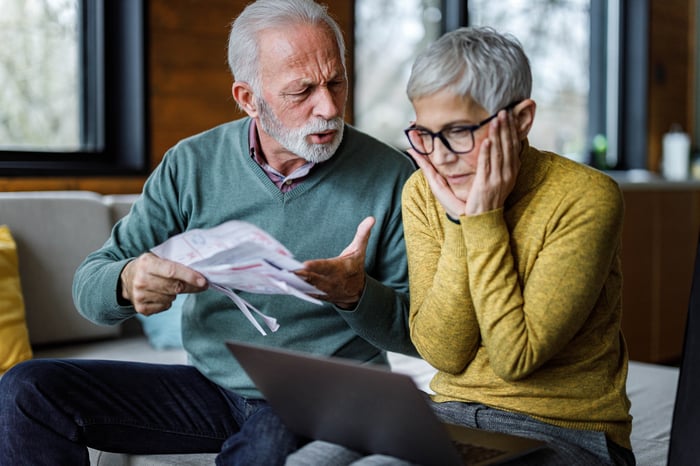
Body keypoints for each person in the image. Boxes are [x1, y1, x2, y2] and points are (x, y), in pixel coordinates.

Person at [0, 0, 417, 464]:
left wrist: (356, 295)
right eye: (302, 91)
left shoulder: (393, 177)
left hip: (323, 392)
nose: (330, 106)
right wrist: (127, 280)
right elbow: (89, 288)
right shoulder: (191, 163)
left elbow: (415, 332)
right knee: (28, 389)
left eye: (336, 82)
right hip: (211, 389)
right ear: (247, 99)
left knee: (263, 450)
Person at [286, 27, 634, 465]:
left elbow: (515, 357)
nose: (441, 156)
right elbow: (443, 352)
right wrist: (455, 218)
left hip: (565, 432)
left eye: (459, 132)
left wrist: (480, 220)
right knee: (309, 461)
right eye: (425, 135)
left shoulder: (584, 197)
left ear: (522, 119)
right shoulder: (423, 192)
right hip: (448, 413)